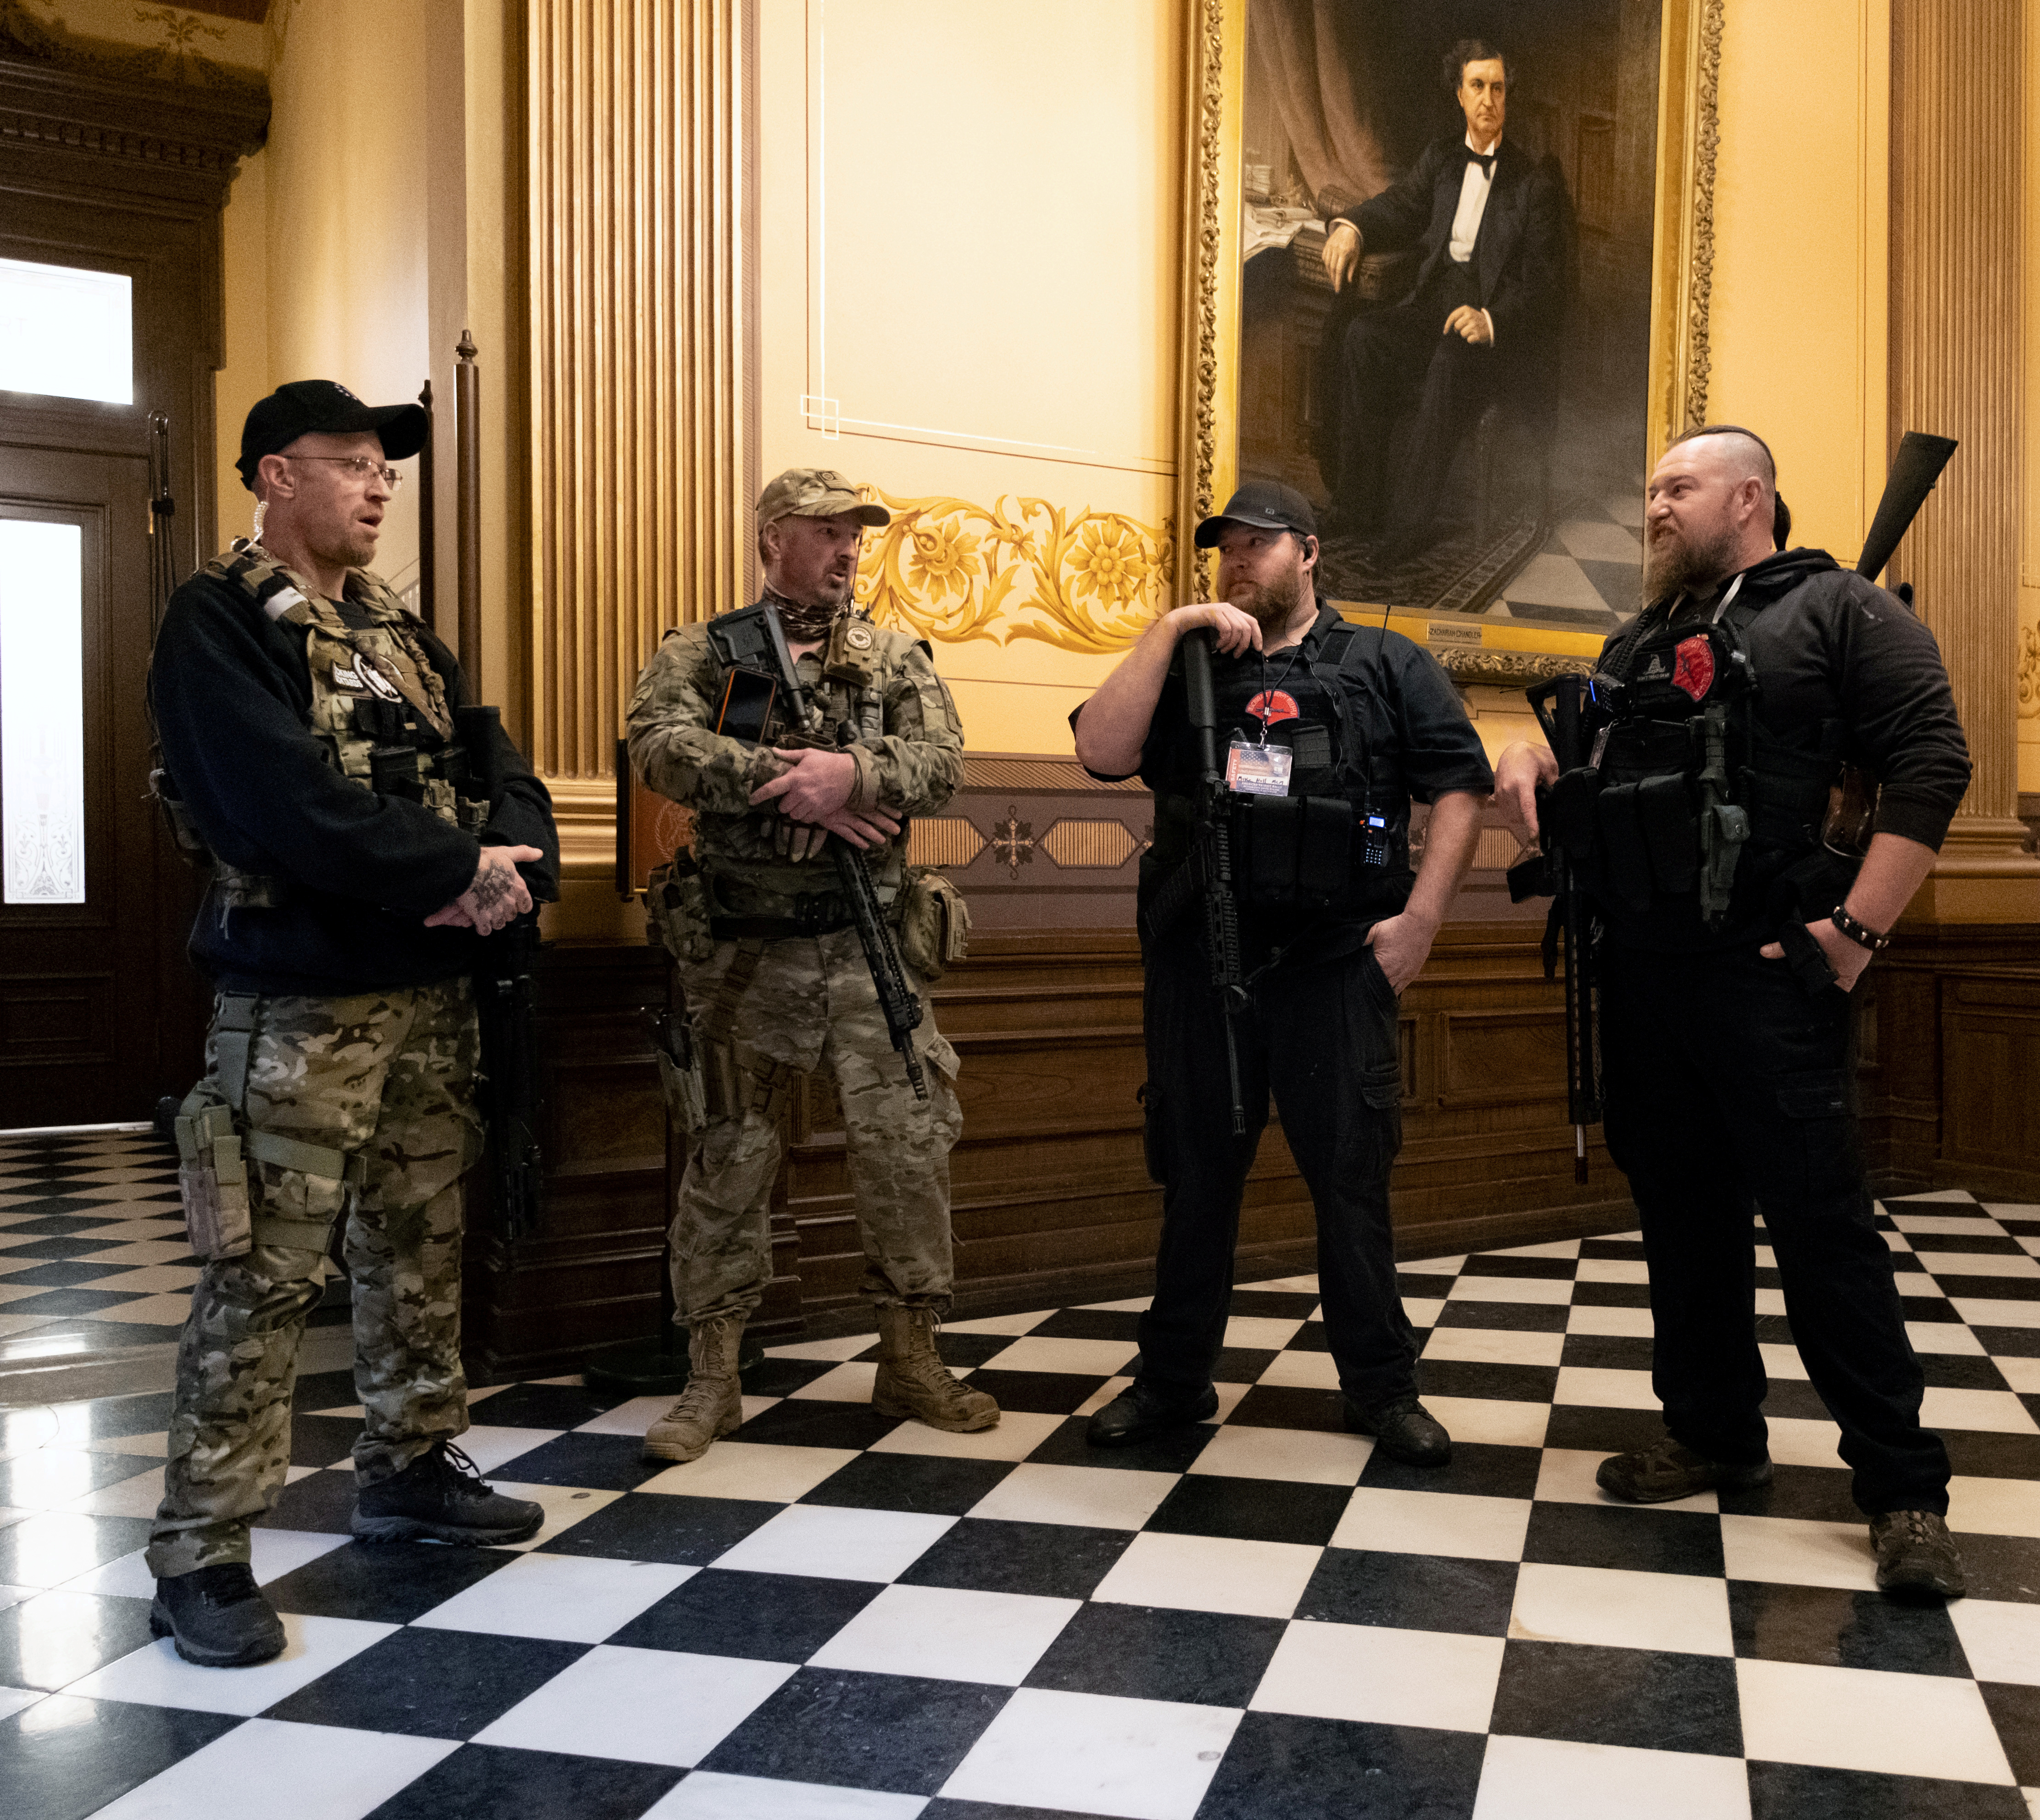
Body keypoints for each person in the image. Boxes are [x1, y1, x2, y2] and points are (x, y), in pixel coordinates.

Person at [1494, 427, 1975, 1597]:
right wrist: (1529, 760)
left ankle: (1901, 1486)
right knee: (1681, 1217)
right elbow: (1604, 773)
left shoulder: (1841, 612)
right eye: (1649, 486)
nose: (1651, 506)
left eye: (1676, 487)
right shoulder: (1642, 635)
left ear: (1748, 496)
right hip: (1644, 973)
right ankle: (1712, 1430)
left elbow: (1931, 761)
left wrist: (1852, 934)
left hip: (1771, 973)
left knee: (1820, 1231)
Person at [145, 380, 560, 1666]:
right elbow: (281, 802)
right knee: (264, 1273)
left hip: (430, 1002)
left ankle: (411, 1463)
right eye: (353, 464)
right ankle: (203, 1547)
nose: (380, 486)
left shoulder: (399, 632)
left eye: (387, 468)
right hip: (300, 1007)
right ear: (276, 476)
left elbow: (500, 766)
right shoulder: (217, 623)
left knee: (418, 1241)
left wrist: (520, 858)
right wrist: (453, 874)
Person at [1070, 479, 1494, 1465]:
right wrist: (1171, 626)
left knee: (1350, 1184)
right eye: (1224, 548)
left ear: (1308, 552)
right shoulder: (1184, 664)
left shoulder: (1387, 663)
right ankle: (1171, 1385)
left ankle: (1382, 1389)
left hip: (1335, 964)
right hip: (1199, 965)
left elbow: (1459, 789)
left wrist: (1420, 923)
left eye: (1259, 544)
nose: (1237, 561)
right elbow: (1100, 751)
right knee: (1196, 1182)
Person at [624, 467, 990, 1460]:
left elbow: (945, 762)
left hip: (871, 951)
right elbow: (654, 745)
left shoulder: (894, 654)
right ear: (771, 537)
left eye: (854, 534)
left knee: (906, 1154)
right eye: (826, 531)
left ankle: (910, 1361)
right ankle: (712, 1379)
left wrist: (856, 774)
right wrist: (789, 784)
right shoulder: (706, 650)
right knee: (727, 1159)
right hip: (747, 960)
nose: (847, 550)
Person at [1321, 39, 1569, 545]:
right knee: (1363, 336)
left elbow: (1547, 287)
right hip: (1432, 305)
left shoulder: (1532, 183)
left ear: (1507, 97)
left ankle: (1405, 528)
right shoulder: (1441, 160)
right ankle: (1356, 507)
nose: (1488, 100)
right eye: (1477, 87)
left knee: (1450, 359)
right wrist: (1351, 227)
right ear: (1459, 94)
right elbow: (1399, 206)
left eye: (1497, 89)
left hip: (1493, 332)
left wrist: (1490, 320)